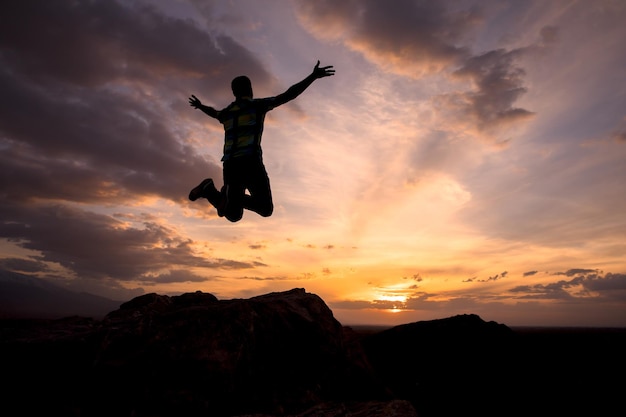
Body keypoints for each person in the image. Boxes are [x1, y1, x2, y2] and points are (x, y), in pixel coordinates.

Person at [188, 60, 335, 222]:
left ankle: (214, 191)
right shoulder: (257, 106)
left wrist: (200, 106)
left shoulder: (226, 113)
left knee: (233, 214)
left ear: (234, 93)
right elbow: (288, 95)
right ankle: (220, 193)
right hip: (250, 163)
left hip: (230, 165)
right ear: (250, 90)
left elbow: (213, 113)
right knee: (265, 208)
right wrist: (312, 76)